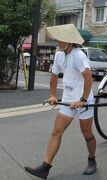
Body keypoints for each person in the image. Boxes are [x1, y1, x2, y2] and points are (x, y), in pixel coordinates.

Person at [24, 24, 97, 179]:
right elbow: (54, 76)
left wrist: (83, 100)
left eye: (61, 40)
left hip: (84, 98)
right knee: (56, 131)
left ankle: (92, 160)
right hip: (68, 98)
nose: (58, 42)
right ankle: (45, 167)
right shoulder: (59, 55)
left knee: (86, 132)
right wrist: (52, 95)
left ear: (69, 41)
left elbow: (88, 78)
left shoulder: (79, 55)